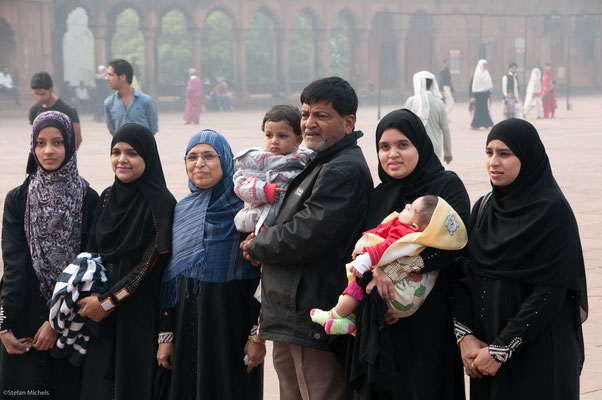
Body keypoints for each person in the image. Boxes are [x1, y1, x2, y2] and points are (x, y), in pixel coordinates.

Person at [241, 77, 373, 400]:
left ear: (348, 122)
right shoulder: (320, 162)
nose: (309, 124)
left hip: (313, 314)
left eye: (321, 116)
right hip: (293, 313)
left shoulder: (342, 169)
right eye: (304, 114)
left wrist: (258, 243)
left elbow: (306, 233)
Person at [454, 118, 587, 400]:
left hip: (537, 352)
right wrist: (464, 336)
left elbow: (551, 292)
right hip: (486, 353)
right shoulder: (484, 208)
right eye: (489, 153)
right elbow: (463, 274)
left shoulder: (552, 212)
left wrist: (502, 349)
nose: (494, 162)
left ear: (527, 157)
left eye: (505, 154)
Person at [345, 108, 470, 400]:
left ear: (420, 147)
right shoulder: (378, 196)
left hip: (429, 323)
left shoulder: (444, 187)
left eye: (403, 145)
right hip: (382, 323)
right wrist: (376, 281)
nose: (392, 154)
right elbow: (362, 249)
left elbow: (454, 247)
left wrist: (394, 270)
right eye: (384, 147)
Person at [156, 129, 263, 400]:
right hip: (187, 329)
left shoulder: (247, 212)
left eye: (208, 156)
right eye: (191, 157)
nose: (199, 163)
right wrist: (166, 336)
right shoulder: (181, 211)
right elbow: (170, 279)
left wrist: (256, 337)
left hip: (232, 328)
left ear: (226, 160)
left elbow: (263, 281)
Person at [0, 111, 99, 398]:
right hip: (26, 318)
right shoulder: (19, 198)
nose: (48, 151)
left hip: (70, 322)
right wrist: (4, 325)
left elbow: (88, 268)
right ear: (32, 146)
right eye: (41, 143)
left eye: (57, 142)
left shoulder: (88, 198)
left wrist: (56, 323)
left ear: (69, 145)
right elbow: (14, 264)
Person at [78, 124, 176, 399]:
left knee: (131, 383)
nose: (122, 159)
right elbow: (92, 250)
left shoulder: (161, 203)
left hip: (137, 309)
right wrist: (94, 293)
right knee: (98, 384)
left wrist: (109, 301)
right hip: (99, 309)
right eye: (116, 152)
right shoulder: (108, 196)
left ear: (147, 156)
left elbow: (152, 264)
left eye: (132, 153)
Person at [311, 195, 467, 335]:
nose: (405, 206)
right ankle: (351, 320)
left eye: (410, 208)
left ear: (414, 226)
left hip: (417, 321)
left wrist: (372, 262)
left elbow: (387, 248)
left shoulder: (406, 233)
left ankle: (335, 314)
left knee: (356, 286)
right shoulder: (382, 195)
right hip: (395, 310)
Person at [233, 104, 312, 233]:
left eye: (282, 136)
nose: (274, 141)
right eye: (269, 135)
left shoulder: (306, 160)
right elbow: (240, 186)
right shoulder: (255, 160)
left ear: (298, 140)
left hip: (287, 223)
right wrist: (263, 190)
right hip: (256, 217)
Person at [405, 71, 452, 163]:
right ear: (431, 84)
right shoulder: (439, 103)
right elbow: (445, 130)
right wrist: (448, 153)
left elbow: (404, 127)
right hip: (434, 149)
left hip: (414, 149)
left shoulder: (411, 102)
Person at [104, 59, 159, 135]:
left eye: (111, 75)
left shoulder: (146, 101)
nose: (106, 78)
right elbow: (112, 130)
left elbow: (153, 129)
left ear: (122, 77)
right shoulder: (109, 103)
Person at [29, 72, 82, 149]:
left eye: (42, 94)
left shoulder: (68, 110)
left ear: (51, 89)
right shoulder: (34, 110)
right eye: (36, 94)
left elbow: (77, 139)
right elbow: (34, 137)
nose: (39, 98)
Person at [469, 59, 494, 130]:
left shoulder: (486, 74)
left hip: (485, 95)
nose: (486, 66)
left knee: (485, 109)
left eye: (486, 65)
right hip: (478, 95)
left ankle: (487, 124)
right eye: (484, 65)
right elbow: (472, 86)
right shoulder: (476, 75)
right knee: (478, 110)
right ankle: (476, 124)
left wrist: (490, 94)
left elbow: (488, 85)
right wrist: (472, 96)